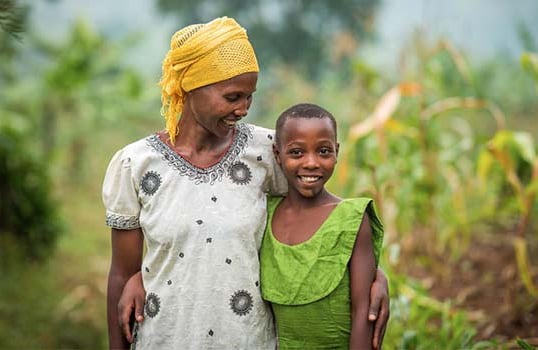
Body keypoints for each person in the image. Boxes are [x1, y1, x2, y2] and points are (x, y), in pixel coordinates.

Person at [103, 17, 389, 350]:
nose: (242, 109)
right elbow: (122, 274)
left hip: (249, 340)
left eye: (250, 98)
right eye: (232, 96)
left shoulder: (266, 153)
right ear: (191, 86)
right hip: (164, 337)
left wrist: (370, 274)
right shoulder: (135, 164)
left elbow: (326, 214)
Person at [260, 103, 384, 349]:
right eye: (296, 153)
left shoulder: (352, 219)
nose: (311, 163)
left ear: (337, 152)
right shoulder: (265, 212)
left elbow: (363, 312)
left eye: (324, 151)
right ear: (277, 155)